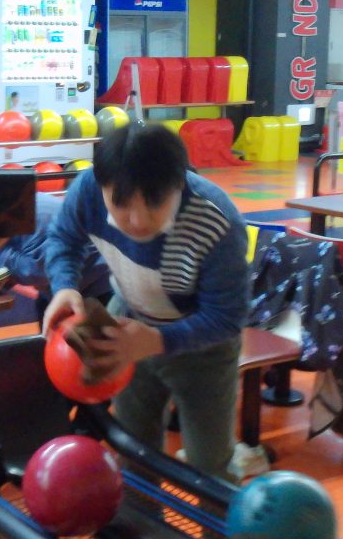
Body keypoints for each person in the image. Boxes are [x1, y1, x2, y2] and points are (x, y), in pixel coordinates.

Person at [42, 123, 249, 481]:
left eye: (154, 204)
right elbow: (63, 239)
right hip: (128, 323)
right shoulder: (88, 191)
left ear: (179, 184)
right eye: (121, 204)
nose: (137, 221)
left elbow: (227, 317)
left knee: (210, 465)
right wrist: (64, 286)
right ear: (102, 186)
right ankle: (140, 516)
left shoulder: (216, 220)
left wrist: (155, 340)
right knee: (134, 453)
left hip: (204, 349)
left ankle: (216, 520)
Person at [0, 191, 111, 326]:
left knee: (91, 337)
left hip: (97, 286)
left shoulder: (31, 217)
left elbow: (40, 272)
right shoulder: (15, 207)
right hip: (68, 286)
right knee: (47, 320)